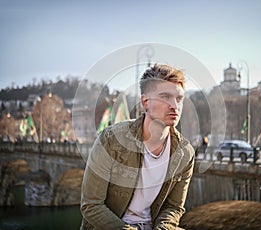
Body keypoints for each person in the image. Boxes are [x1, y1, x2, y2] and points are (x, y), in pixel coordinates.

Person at [80, 64, 195, 230]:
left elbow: (174, 207)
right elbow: (91, 205)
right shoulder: (111, 140)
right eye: (165, 97)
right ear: (145, 102)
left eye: (179, 99)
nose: (175, 106)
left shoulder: (185, 153)